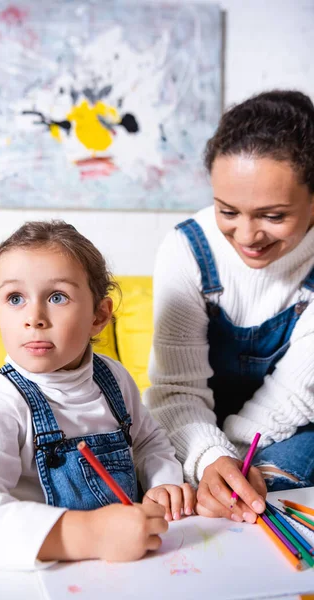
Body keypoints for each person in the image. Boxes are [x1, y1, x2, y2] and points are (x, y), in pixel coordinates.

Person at [0, 220, 195, 570]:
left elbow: (149, 443)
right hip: (48, 574)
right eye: (15, 298)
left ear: (98, 316)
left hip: (131, 566)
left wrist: (163, 484)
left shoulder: (113, 378)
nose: (34, 317)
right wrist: (89, 534)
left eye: (57, 297)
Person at [144, 90, 314, 525]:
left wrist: (229, 468)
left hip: (282, 434)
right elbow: (177, 391)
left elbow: (294, 396)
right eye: (228, 210)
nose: (246, 235)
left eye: (273, 216)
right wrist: (208, 460)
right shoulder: (186, 250)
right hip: (189, 431)